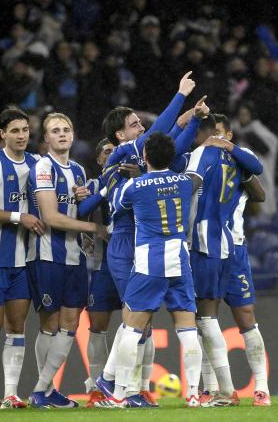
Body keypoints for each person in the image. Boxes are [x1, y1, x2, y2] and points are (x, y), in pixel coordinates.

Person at [98, 132, 203, 408]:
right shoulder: (183, 182)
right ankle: (193, 394)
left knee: (131, 329)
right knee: (188, 329)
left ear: (144, 157)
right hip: (180, 261)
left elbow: (115, 200)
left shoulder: (136, 186)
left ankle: (119, 395)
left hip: (149, 263)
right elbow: (196, 177)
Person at [27, 112, 108, 408]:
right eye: (55, 131)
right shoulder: (43, 168)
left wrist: (84, 207)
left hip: (74, 257)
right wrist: (94, 228)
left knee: (71, 322)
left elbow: (77, 211)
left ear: (72, 135)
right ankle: (43, 389)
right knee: (50, 323)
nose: (62, 134)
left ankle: (42, 390)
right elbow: (49, 217)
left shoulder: (77, 170)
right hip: (46, 254)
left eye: (66, 129)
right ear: (46, 139)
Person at [185, 116, 263, 407]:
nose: (209, 137)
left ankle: (230, 391)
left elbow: (190, 185)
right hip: (220, 243)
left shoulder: (211, 154)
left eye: (216, 133)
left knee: (206, 317)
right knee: (206, 317)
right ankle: (215, 388)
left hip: (209, 243)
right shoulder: (218, 158)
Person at [0, 107, 44, 409]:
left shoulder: (37, 163)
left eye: (25, 130)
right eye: (15, 130)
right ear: (2, 133)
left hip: (21, 259)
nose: (22, 136)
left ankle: (11, 393)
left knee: (17, 326)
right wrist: (19, 217)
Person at [196, 160, 271, 407]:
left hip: (235, 248)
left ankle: (261, 387)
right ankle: (210, 387)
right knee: (206, 319)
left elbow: (260, 196)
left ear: (228, 136)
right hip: (204, 246)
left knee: (246, 315)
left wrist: (239, 162)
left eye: (220, 134)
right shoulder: (197, 159)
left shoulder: (240, 159)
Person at [77, 138, 122, 408]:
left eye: (116, 151)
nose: (112, 155)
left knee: (141, 323)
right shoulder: (93, 186)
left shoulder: (134, 180)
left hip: (131, 261)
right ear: (98, 160)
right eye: (107, 151)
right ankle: (96, 385)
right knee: (97, 324)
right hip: (103, 264)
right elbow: (81, 211)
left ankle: (136, 386)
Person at [230, 107, 278, 215]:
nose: (243, 117)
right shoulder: (232, 130)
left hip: (257, 170)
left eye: (245, 114)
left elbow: (269, 148)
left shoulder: (258, 129)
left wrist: (252, 138)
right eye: (240, 114)